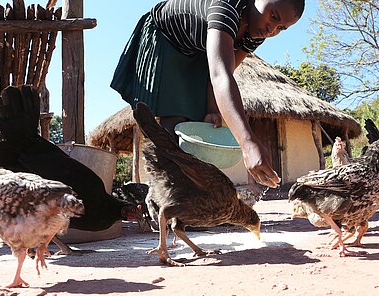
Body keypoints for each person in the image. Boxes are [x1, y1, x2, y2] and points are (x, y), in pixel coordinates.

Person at [111, 0, 305, 188]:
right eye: (273, 16)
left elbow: (226, 70)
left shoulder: (254, 34)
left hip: (198, 52)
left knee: (196, 125)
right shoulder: (226, 7)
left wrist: (213, 108)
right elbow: (220, 75)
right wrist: (247, 142)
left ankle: (188, 204)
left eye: (281, 28)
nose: (271, 30)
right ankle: (171, 201)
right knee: (175, 126)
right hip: (166, 38)